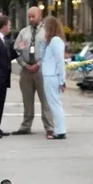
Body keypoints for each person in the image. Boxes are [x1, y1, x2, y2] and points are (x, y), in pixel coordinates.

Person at [13, 7, 54, 136]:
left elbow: (50, 50)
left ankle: (49, 126)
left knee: (45, 100)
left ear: (40, 16)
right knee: (27, 100)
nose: (31, 19)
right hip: (26, 71)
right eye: (29, 17)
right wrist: (24, 64)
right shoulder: (23, 32)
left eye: (33, 16)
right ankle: (26, 125)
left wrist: (39, 64)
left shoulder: (47, 31)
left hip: (42, 70)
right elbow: (16, 50)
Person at [41, 16, 67, 140]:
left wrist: (62, 80)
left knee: (55, 104)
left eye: (45, 26)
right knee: (53, 104)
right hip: (48, 75)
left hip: (52, 75)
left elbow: (59, 61)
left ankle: (60, 130)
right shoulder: (50, 42)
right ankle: (59, 129)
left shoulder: (56, 41)